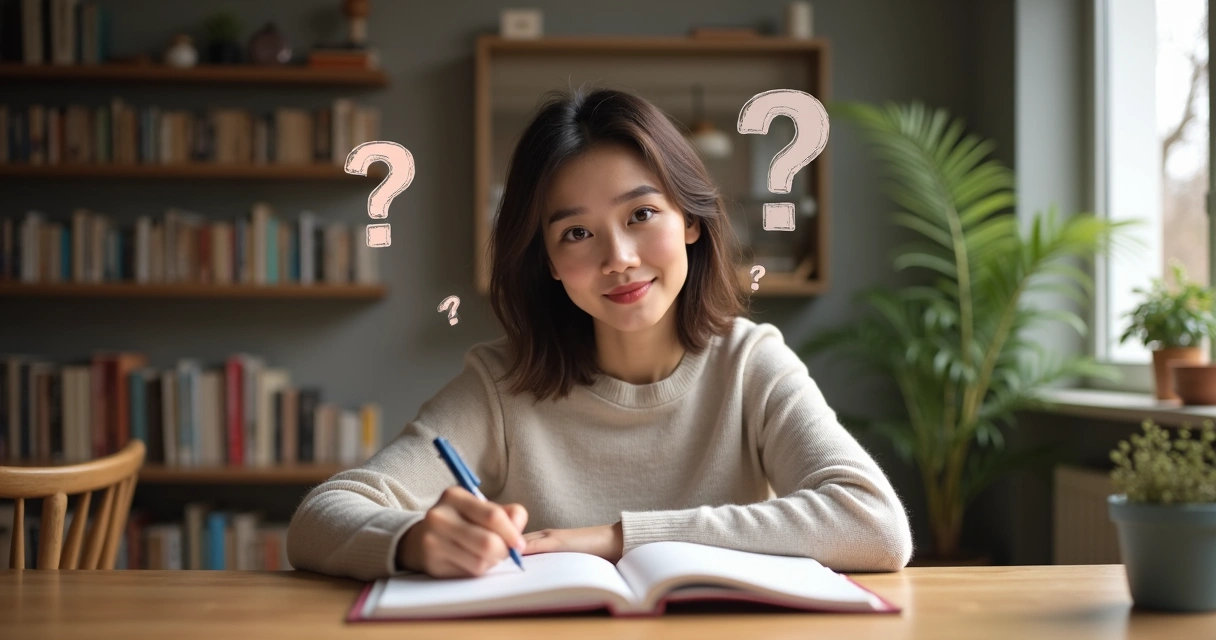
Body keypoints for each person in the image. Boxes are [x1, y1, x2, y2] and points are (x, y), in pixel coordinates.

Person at [286, 87, 913, 581]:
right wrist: (415, 540)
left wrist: (619, 538)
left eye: (642, 214)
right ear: (551, 264)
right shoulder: (502, 386)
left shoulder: (752, 366)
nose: (618, 258)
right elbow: (319, 518)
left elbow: (875, 523)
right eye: (576, 233)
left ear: (691, 222)